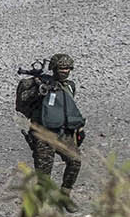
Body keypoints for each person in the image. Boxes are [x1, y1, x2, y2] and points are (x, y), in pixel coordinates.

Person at [15, 54, 85, 204]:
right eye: (61, 68)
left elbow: (68, 108)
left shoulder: (69, 86)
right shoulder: (39, 84)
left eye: (67, 68)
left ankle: (65, 195)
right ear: (54, 68)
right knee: (44, 176)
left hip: (64, 134)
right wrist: (39, 92)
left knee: (75, 162)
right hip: (43, 135)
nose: (65, 71)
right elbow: (22, 104)